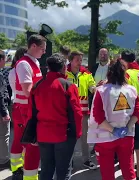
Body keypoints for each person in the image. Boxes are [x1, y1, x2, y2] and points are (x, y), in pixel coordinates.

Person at [28, 53, 83, 180]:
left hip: (43, 134)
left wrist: (33, 134)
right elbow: (76, 113)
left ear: (48, 67)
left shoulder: (37, 85)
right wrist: (77, 133)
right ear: (64, 67)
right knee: (63, 171)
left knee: (46, 169)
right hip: (63, 135)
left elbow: (32, 113)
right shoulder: (68, 86)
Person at [88, 60, 139, 180]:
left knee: (107, 171)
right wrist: (126, 128)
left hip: (105, 138)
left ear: (109, 73)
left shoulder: (101, 91)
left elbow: (98, 117)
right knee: (128, 168)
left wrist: (113, 130)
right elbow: (137, 113)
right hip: (126, 136)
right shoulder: (132, 90)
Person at [11, 34, 46, 180]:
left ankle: (27, 172)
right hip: (26, 110)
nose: (44, 52)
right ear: (33, 46)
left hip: (30, 109)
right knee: (33, 145)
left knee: (30, 146)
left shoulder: (34, 62)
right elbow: (28, 92)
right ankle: (29, 175)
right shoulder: (24, 64)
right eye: (42, 49)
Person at [120, 51, 139, 179]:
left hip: (131, 117)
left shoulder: (127, 74)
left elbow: (124, 95)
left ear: (124, 61)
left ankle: (130, 174)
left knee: (128, 148)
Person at [66, 51, 97, 169]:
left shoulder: (86, 74)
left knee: (85, 136)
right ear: (71, 60)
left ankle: (86, 160)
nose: (80, 62)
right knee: (69, 137)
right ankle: (70, 161)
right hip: (68, 112)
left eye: (81, 60)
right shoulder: (64, 73)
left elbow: (92, 87)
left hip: (83, 111)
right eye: (77, 60)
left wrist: (96, 88)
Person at [0, 50, 10, 170]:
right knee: (4, 135)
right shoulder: (0, 75)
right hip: (1, 109)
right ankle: (3, 160)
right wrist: (4, 113)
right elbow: (0, 95)